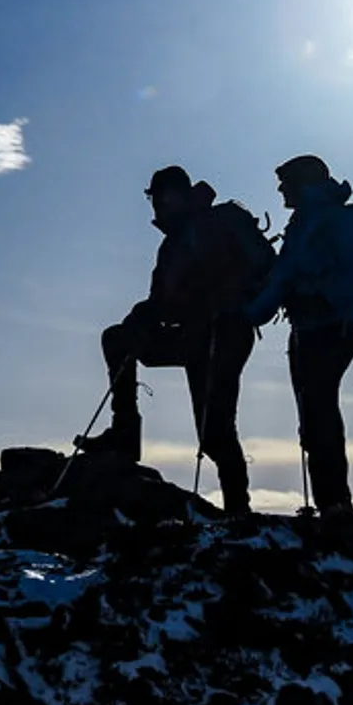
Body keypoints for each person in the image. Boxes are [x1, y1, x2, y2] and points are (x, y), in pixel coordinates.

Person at [85, 167, 262, 517]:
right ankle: (124, 435)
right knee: (118, 340)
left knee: (215, 430)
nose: (154, 206)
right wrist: (143, 315)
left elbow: (200, 290)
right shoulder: (178, 239)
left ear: (174, 196)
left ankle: (239, 511)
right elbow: (163, 300)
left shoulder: (207, 227)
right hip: (196, 336)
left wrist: (208, 307)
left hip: (222, 335)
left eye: (157, 197)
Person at [245, 154, 353, 516]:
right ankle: (330, 502)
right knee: (315, 411)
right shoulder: (306, 222)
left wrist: (313, 290)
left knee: (319, 410)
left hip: (330, 329)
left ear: (303, 183)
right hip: (312, 329)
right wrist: (249, 314)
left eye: (285, 183)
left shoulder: (330, 220)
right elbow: (283, 281)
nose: (281, 189)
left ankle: (335, 504)